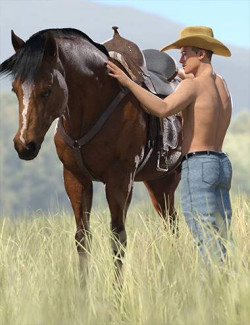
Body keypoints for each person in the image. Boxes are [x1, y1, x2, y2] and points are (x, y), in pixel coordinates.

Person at [107, 26, 233, 261]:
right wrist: (186, 76)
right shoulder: (222, 85)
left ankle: (209, 292)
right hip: (221, 164)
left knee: (204, 237)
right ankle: (226, 287)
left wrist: (128, 83)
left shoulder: (192, 86)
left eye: (185, 53)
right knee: (221, 235)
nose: (180, 59)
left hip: (199, 166)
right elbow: (203, 97)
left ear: (202, 54)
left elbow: (162, 109)